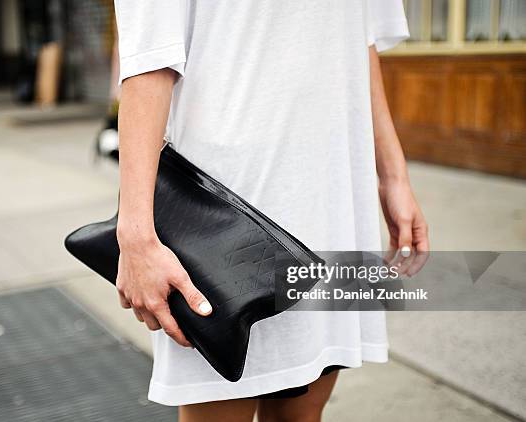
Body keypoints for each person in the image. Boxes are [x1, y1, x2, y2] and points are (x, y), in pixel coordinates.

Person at [114, 1, 429, 421]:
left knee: (302, 412)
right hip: (225, 216)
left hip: (332, 197)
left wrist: (393, 176)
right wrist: (135, 237)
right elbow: (149, 61)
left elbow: (361, 40)